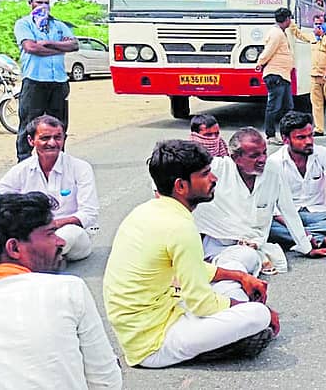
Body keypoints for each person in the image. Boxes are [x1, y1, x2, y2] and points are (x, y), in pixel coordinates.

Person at [103, 140, 279, 368]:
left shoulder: (146, 210)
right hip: (154, 343)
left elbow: (191, 269)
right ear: (181, 186)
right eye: (205, 174)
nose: (214, 179)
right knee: (257, 315)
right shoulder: (180, 227)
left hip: (164, 311)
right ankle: (221, 344)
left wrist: (239, 277)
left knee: (236, 272)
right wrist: (263, 311)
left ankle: (230, 332)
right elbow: (201, 303)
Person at [0, 192, 122, 389]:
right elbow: (106, 383)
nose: (61, 242)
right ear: (14, 248)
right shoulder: (67, 290)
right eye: (50, 233)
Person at [194, 128, 326, 278]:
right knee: (242, 261)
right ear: (235, 157)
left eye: (264, 152)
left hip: (253, 243)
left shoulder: (273, 169)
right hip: (217, 242)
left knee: (245, 258)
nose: (262, 159)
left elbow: (288, 210)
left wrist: (307, 248)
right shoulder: (217, 168)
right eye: (254, 156)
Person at [0, 115, 98, 263]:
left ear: (64, 139)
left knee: (69, 233)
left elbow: (89, 214)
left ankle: (30, 260)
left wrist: (50, 226)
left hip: (71, 235)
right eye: (45, 138)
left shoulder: (80, 168)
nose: (52, 143)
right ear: (31, 140)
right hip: (32, 235)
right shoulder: (21, 170)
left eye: (57, 138)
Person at [267, 111, 326, 250]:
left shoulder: (323, 153)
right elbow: (272, 206)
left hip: (318, 213)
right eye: (301, 137)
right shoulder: (274, 162)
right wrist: (295, 227)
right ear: (286, 140)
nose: (309, 141)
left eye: (310, 135)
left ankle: (303, 239)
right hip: (288, 217)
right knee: (268, 227)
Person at [14, 0, 79, 162]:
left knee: (59, 124)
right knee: (29, 123)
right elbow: (30, 47)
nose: (43, 6)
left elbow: (74, 45)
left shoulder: (58, 25)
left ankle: (57, 160)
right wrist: (58, 48)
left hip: (58, 81)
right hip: (34, 81)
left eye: (46, 3)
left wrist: (48, 43)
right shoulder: (24, 24)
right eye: (39, 2)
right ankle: (24, 161)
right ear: (30, 3)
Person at [256, 7, 315, 145]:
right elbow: (268, 51)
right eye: (290, 19)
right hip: (276, 75)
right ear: (287, 19)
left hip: (283, 75)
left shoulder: (281, 32)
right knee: (274, 107)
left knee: (288, 106)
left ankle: (289, 133)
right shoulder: (276, 34)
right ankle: (270, 135)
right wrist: (260, 63)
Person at [309, 14, 326, 136]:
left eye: (320, 24)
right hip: (314, 74)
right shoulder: (312, 37)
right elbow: (298, 34)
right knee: (316, 103)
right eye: (316, 24)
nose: (318, 26)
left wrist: (322, 36)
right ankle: (319, 128)